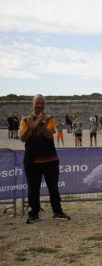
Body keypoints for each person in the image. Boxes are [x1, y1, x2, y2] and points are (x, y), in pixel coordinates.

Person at [18, 95, 70, 224]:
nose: (40, 105)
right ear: (33, 104)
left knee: (53, 187)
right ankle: (33, 213)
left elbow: (48, 135)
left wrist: (40, 123)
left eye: (42, 103)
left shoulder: (50, 119)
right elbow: (23, 138)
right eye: (37, 103)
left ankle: (57, 211)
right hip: (31, 160)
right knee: (33, 188)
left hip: (50, 159)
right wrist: (30, 127)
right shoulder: (25, 120)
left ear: (44, 104)